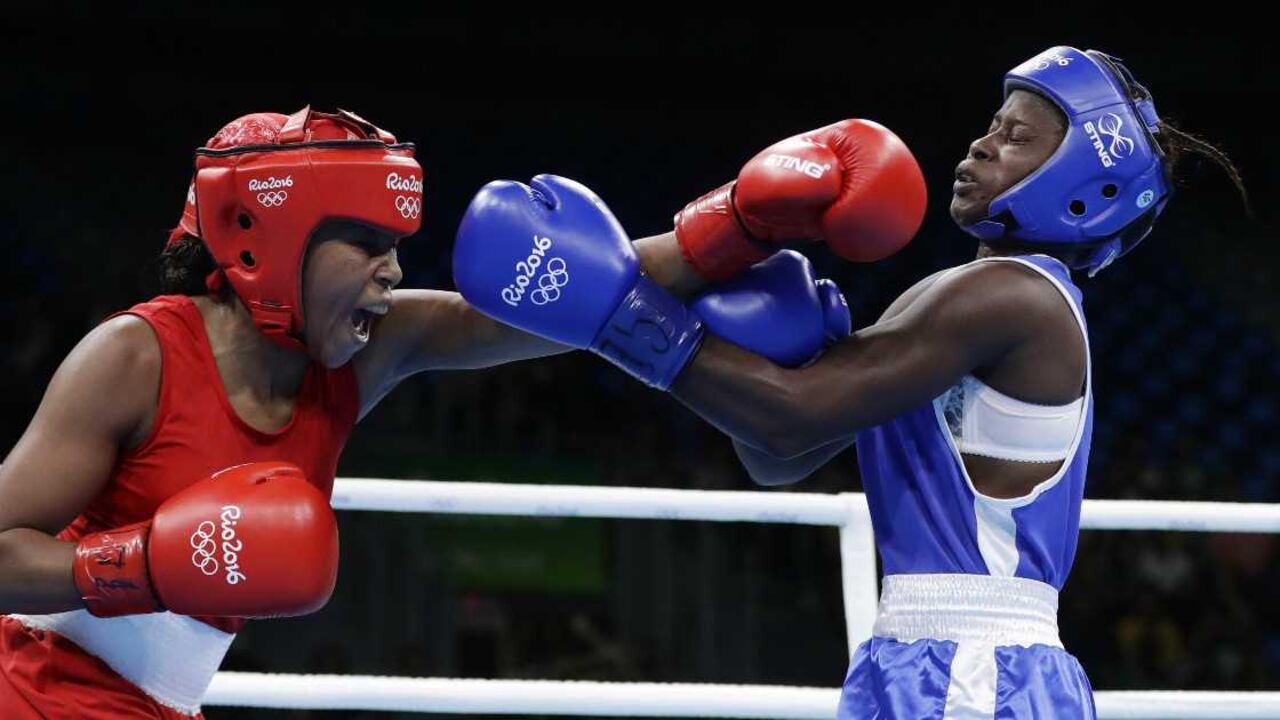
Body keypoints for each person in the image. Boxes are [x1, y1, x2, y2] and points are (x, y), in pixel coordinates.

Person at [0, 106, 922, 718]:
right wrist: (145, 565)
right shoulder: (136, 356)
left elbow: (569, 292)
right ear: (263, 242)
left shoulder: (365, 351)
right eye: (367, 244)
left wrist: (743, 223)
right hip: (32, 689)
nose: (392, 272)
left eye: (396, 245)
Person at [452, 46, 1247, 718]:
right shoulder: (954, 299)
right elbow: (779, 454)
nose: (979, 146)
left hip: (976, 666)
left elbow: (793, 417)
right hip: (926, 655)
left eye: (1015, 138)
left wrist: (618, 311)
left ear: (1078, 181)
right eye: (991, 125)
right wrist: (782, 349)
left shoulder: (1014, 299)